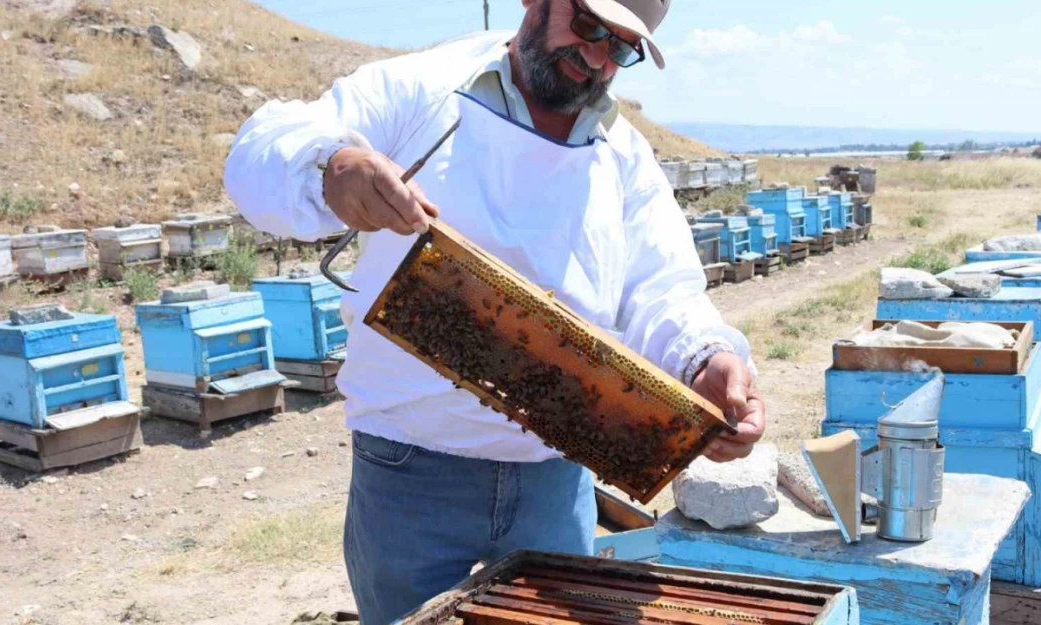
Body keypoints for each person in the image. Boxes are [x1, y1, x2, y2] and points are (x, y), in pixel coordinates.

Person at [224, 0, 765, 622]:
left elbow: (661, 286)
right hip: (410, 467)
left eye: (619, 49)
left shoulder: (626, 155)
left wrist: (707, 357)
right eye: (587, 26)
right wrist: (333, 167)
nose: (595, 57)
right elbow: (260, 152)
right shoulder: (419, 89)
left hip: (553, 475)